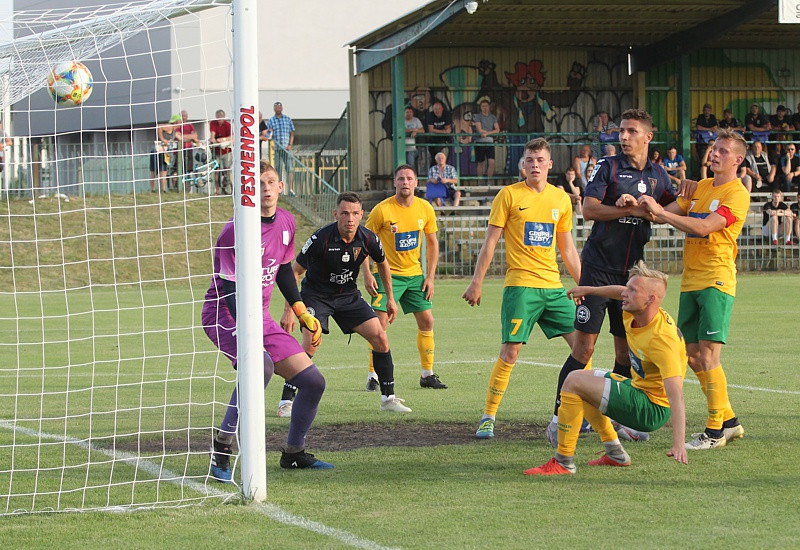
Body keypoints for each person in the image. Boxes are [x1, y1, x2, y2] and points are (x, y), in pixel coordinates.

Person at [551, 108, 682, 445]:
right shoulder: (607, 167)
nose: (624, 137)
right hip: (597, 268)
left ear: (648, 137)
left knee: (625, 354)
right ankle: (561, 416)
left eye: (632, 131)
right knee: (584, 347)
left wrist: (678, 200)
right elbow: (589, 209)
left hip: (633, 277)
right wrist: (630, 209)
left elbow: (672, 210)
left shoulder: (659, 176)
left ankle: (614, 419)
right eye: (622, 131)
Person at [203, 161, 332, 482]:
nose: (265, 188)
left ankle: (293, 453)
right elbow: (232, 290)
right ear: (247, 190)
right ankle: (222, 446)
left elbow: (285, 270)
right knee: (260, 366)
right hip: (225, 313)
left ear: (280, 187)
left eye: (270, 181)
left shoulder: (287, 222)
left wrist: (301, 311)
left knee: (314, 382)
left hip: (260, 315)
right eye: (257, 183)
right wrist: (251, 335)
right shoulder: (235, 230)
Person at [637, 128, 749, 450]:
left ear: (738, 160)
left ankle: (715, 432)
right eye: (714, 148)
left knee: (710, 356)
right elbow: (662, 216)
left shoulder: (737, 193)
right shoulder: (699, 187)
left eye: (724, 151)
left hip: (716, 279)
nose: (715, 154)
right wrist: (641, 202)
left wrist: (661, 213)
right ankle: (728, 420)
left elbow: (702, 227)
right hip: (691, 280)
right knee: (692, 355)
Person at [463, 138, 582, 439]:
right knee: (511, 351)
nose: (535, 165)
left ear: (550, 164)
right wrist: (477, 281)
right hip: (521, 287)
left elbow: (567, 249)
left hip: (554, 288)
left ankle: (577, 411)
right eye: (530, 160)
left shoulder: (561, 199)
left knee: (584, 346)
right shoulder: (509, 195)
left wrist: (585, 286)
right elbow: (490, 242)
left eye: (540, 160)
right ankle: (488, 416)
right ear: (522, 165)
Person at [524, 261, 687, 475]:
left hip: (651, 409)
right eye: (627, 287)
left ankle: (563, 461)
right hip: (639, 390)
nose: (625, 294)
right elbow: (619, 291)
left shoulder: (663, 341)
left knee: (573, 382)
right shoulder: (636, 310)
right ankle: (615, 452)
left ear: (650, 300)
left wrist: (679, 444)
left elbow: (676, 397)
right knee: (581, 381)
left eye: (632, 290)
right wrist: (589, 290)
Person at [280, 192, 412, 413]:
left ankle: (388, 398)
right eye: (344, 213)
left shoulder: (368, 238)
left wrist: (390, 298)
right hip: (316, 295)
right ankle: (286, 401)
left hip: (348, 296)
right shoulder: (320, 238)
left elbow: (382, 263)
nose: (350, 218)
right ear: (336, 214)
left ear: (361, 215)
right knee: (311, 340)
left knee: (380, 336)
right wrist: (289, 310)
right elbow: (294, 272)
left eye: (354, 213)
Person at [364, 164, 448, 390]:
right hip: (385, 275)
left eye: (409, 178)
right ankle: (373, 376)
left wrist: (430, 277)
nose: (405, 182)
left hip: (414, 276)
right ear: (394, 182)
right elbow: (364, 242)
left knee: (427, 321)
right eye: (401, 178)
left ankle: (427, 374)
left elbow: (432, 243)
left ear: (416, 182)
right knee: (379, 324)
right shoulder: (382, 210)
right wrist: (367, 273)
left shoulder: (425, 208)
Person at [267, 101, 296, 193]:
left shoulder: (287, 119)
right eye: (276, 107)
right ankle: (277, 189)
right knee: (277, 169)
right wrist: (270, 134)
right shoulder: (271, 120)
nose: (278, 109)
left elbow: (292, 133)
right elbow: (267, 135)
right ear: (274, 109)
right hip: (277, 148)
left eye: (279, 107)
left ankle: (291, 189)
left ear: (282, 108)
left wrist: (290, 144)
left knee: (289, 169)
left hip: (287, 149)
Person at [472, 98, 501, 184]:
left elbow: (497, 129)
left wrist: (487, 133)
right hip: (480, 142)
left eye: (486, 106)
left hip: (490, 142)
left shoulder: (493, 117)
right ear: (480, 107)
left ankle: (489, 180)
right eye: (483, 106)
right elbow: (480, 130)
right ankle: (480, 181)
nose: (484, 108)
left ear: (489, 107)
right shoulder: (478, 116)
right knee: (480, 163)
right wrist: (489, 132)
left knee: (491, 162)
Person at [208, 109, 232, 195]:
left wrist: (222, 140)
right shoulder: (213, 123)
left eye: (221, 117)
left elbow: (232, 137)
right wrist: (213, 140)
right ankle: (217, 189)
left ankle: (228, 186)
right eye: (218, 117)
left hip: (226, 151)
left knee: (227, 168)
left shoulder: (228, 125)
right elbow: (212, 135)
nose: (219, 119)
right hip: (216, 151)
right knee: (216, 169)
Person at [149, 118, 175, 193]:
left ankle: (158, 189)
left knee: (159, 170)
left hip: (162, 150)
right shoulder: (170, 126)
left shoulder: (174, 131)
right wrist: (163, 139)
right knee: (160, 170)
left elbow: (180, 137)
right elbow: (159, 126)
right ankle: (161, 189)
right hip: (159, 149)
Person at [425, 100, 453, 166]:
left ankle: (443, 174)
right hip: (433, 140)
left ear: (442, 109)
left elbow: (448, 130)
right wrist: (443, 131)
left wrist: (437, 131)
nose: (437, 111)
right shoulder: (430, 115)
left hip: (445, 140)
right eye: (435, 109)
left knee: (443, 158)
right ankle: (433, 173)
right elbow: (431, 130)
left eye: (439, 109)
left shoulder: (446, 114)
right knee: (433, 159)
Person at [174, 110, 198, 179]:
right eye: (182, 116)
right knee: (178, 167)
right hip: (179, 150)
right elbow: (178, 136)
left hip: (189, 149)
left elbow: (195, 136)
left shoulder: (190, 125)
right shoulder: (177, 126)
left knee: (189, 166)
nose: (184, 118)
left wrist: (183, 136)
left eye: (185, 116)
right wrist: (190, 137)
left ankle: (188, 183)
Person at [404, 106, 424, 172]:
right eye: (407, 112)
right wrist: (412, 130)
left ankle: (412, 179)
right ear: (404, 113)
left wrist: (416, 131)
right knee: (402, 164)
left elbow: (422, 130)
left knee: (411, 164)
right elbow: (400, 130)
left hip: (411, 146)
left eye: (410, 112)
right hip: (401, 146)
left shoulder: (416, 120)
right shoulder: (400, 120)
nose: (409, 113)